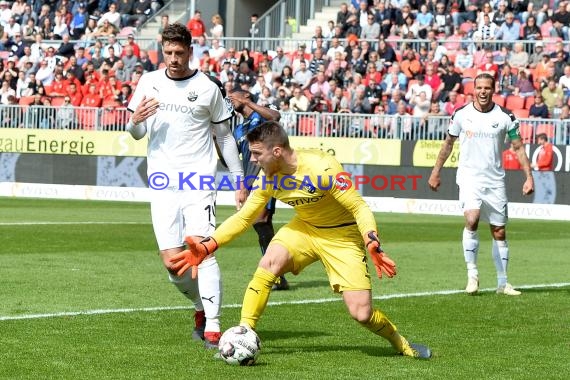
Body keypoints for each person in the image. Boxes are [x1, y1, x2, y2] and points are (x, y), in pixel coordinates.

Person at [169, 120, 432, 359]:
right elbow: (244, 218)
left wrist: (371, 239)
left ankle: (400, 342)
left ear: (277, 152)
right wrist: (208, 245)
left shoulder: (322, 167)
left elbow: (358, 207)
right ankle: (242, 333)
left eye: (257, 154)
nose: (254, 160)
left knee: (361, 313)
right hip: (304, 228)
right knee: (268, 264)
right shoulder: (268, 178)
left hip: (342, 236)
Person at [126, 23, 245, 349]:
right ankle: (199, 307)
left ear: (190, 51)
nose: (174, 58)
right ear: (161, 51)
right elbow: (135, 133)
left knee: (203, 252)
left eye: (179, 53)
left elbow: (224, 136)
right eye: (168, 53)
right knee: (172, 263)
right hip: (163, 183)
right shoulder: (149, 82)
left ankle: (214, 326)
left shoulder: (207, 87)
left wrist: (239, 180)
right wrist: (135, 121)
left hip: (199, 181)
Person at [428, 73, 534, 297]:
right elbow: (448, 144)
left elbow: (518, 147)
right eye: (479, 88)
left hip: (495, 180)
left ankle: (503, 283)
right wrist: (436, 171)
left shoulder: (506, 116)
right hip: (469, 177)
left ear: (493, 90)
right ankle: (472, 275)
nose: (483, 91)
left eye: (487, 88)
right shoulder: (461, 115)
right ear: (473, 90)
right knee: (472, 218)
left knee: (499, 230)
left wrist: (529, 177)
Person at [227, 89, 289, 290]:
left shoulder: (260, 116)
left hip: (266, 177)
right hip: (248, 178)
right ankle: (276, 272)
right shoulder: (238, 129)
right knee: (260, 225)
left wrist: (248, 103)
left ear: (245, 97)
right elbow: (229, 157)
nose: (230, 101)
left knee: (261, 220)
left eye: (232, 97)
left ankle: (274, 272)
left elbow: (276, 116)